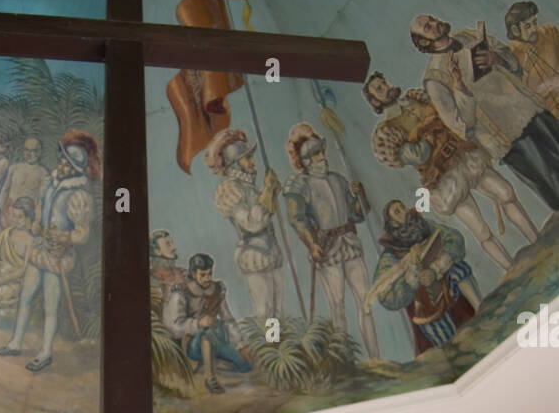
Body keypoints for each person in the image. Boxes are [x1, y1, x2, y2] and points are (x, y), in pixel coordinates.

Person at [363, 70, 537, 269]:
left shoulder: (415, 98)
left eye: (383, 82)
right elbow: (418, 154)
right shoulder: (386, 131)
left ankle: (538, 240)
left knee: (506, 193)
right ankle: (512, 269)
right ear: (375, 101)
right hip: (442, 178)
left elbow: (445, 116)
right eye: (378, 89)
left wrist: (425, 129)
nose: (385, 88)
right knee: (481, 231)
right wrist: (429, 128)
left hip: (462, 155)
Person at [411, 13, 559, 211]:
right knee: (551, 179)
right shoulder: (435, 78)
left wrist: (496, 58)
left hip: (528, 108)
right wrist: (459, 87)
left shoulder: (468, 36)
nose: (435, 24)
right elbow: (461, 127)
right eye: (427, 27)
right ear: (423, 41)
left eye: (432, 20)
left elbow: (514, 64)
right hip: (507, 135)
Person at [0, 129, 99, 372]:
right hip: (40, 249)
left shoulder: (79, 195)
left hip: (57, 256)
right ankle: (15, 342)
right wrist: (38, 226)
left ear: (74, 167)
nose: (60, 162)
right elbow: (43, 212)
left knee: (51, 305)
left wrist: (61, 237)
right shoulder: (52, 185)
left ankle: (45, 352)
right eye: (61, 158)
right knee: (26, 297)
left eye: (66, 161)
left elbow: (82, 234)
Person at [282, 124, 379, 357]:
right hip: (327, 248)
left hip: (349, 242)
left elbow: (358, 214)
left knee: (365, 302)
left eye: (321, 152)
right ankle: (346, 360)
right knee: (337, 306)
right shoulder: (299, 185)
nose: (322, 157)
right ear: (305, 160)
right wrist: (311, 244)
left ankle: (376, 357)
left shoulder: (338, 179)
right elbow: (297, 220)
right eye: (316, 154)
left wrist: (360, 195)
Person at [367, 200, 480, 354]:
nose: (404, 211)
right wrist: (412, 272)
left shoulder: (425, 226)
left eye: (402, 207)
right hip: (423, 302)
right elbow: (385, 295)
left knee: (459, 269)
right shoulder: (390, 255)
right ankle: (453, 353)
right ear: (392, 224)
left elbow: (454, 238)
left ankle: (482, 311)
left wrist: (436, 268)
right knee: (449, 343)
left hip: (445, 284)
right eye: (397, 212)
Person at [205, 126, 284, 319]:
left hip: (270, 248)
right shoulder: (230, 189)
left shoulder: (251, 186)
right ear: (234, 164)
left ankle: (279, 343)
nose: (252, 161)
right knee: (264, 308)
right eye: (247, 158)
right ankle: (270, 344)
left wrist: (272, 192)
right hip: (253, 252)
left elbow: (267, 215)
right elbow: (252, 223)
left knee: (278, 307)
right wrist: (267, 192)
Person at [163, 252, 251, 394]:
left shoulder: (216, 290)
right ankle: (210, 379)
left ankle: (215, 361)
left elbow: (228, 319)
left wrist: (241, 344)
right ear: (193, 273)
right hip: (192, 344)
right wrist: (198, 323)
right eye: (203, 275)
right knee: (206, 333)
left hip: (217, 338)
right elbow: (174, 327)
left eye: (209, 274)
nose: (207, 278)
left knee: (245, 366)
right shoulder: (181, 293)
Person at [505, 0, 559, 120]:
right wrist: (526, 70)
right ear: (515, 30)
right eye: (527, 26)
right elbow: (522, 100)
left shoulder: (549, 33)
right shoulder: (511, 58)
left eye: (534, 22)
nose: (534, 29)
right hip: (551, 115)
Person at [0, 135, 47, 227]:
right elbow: (5, 190)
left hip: (27, 216)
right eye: (26, 150)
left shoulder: (42, 172)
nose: (29, 154)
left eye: (33, 151)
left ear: (39, 152)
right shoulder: (14, 168)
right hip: (9, 212)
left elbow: (41, 199)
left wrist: (37, 220)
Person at [149, 228, 186, 319]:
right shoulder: (151, 278)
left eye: (172, 243)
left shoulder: (183, 273)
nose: (174, 247)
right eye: (168, 245)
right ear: (157, 251)